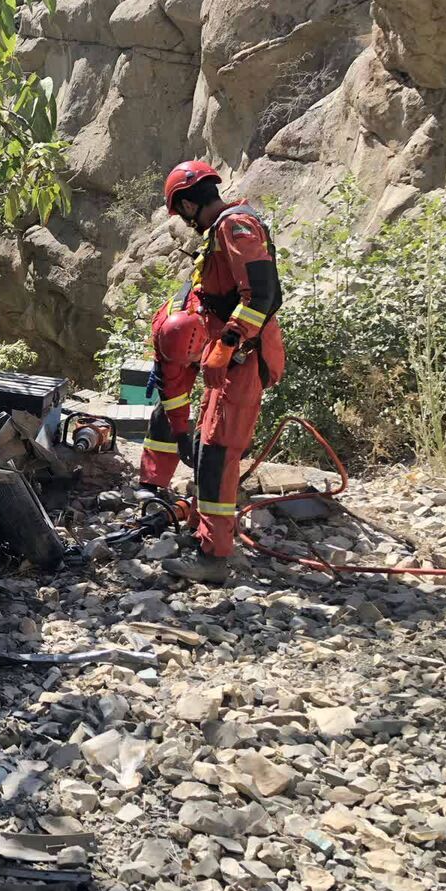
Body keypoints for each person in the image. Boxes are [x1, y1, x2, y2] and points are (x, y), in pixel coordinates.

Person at [156, 160, 287, 583]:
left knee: (217, 451)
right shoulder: (222, 233)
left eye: (183, 213)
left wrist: (228, 343)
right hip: (227, 358)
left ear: (190, 203)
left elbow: (264, 295)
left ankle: (215, 556)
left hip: (240, 358)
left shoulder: (236, 227)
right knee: (207, 443)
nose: (186, 221)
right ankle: (206, 533)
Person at [139, 298, 207, 493]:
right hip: (174, 347)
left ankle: (214, 473)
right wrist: (181, 435)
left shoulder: (219, 314)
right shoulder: (164, 332)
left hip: (226, 342)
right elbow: (174, 395)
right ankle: (152, 479)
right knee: (167, 406)